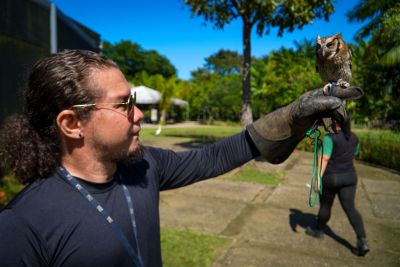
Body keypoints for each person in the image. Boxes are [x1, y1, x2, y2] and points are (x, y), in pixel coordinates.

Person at [0, 50, 363, 267]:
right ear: (72, 123)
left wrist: (294, 114)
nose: (138, 114)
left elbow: (220, 154)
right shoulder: (22, 225)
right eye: (124, 104)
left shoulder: (144, 167)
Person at [305, 118, 369, 256]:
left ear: (336, 123)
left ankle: (319, 231)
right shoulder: (354, 138)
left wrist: (317, 179)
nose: (329, 124)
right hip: (350, 177)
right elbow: (354, 154)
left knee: (325, 206)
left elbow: (324, 158)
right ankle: (362, 240)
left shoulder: (330, 138)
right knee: (351, 209)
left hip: (332, 177)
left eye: (332, 121)